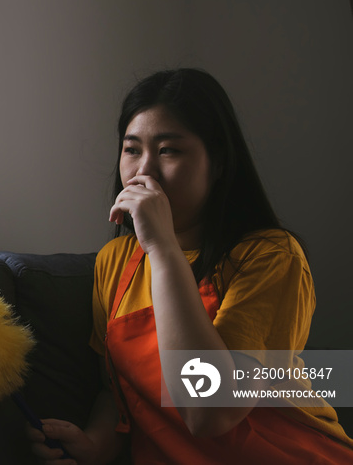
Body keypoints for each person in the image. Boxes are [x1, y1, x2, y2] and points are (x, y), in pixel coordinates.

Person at [28, 68, 353, 464]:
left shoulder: (271, 256)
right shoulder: (113, 263)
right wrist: (95, 445)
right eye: (132, 149)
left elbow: (210, 410)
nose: (144, 170)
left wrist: (162, 249)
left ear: (217, 163)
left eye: (169, 150)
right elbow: (117, 391)